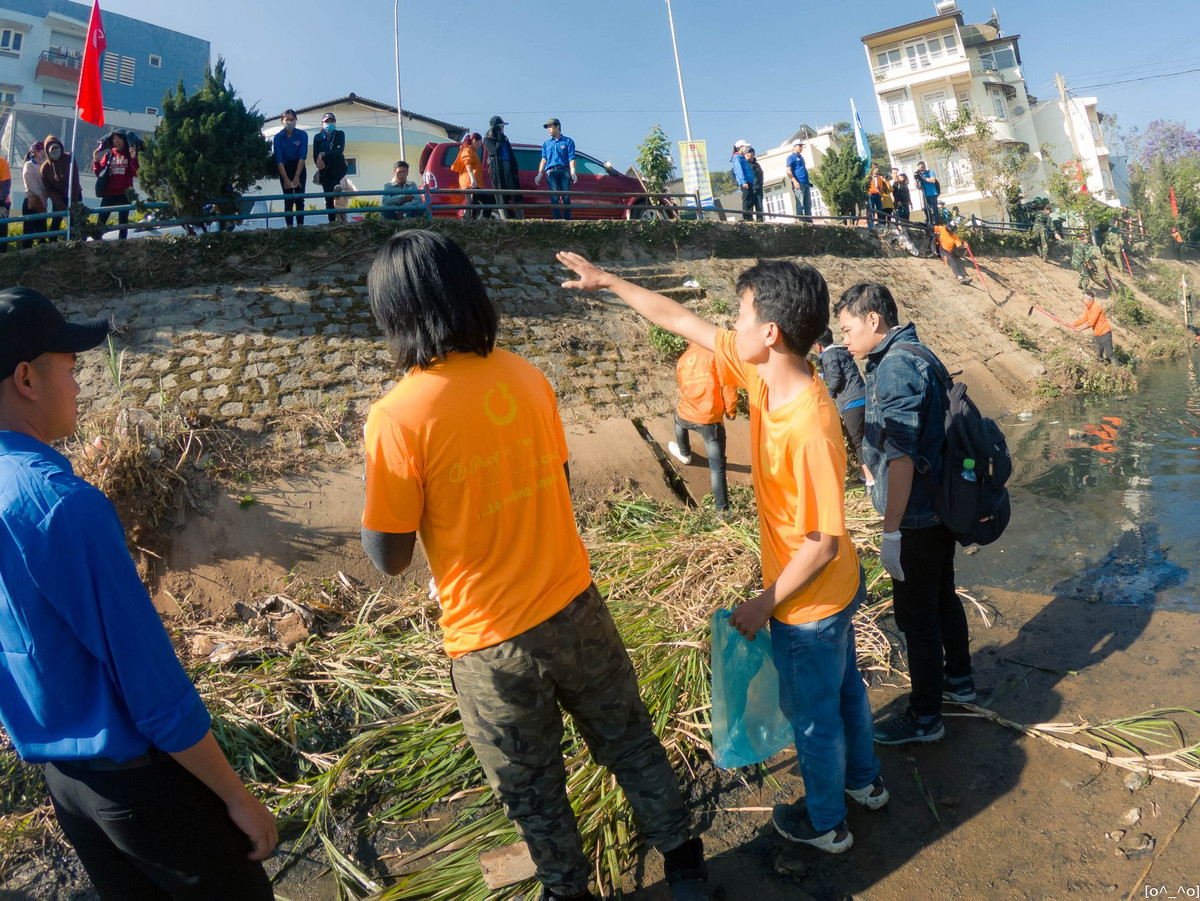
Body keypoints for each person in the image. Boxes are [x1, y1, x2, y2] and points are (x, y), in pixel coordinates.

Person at [361, 232, 717, 901]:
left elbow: (391, 554)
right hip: (577, 607)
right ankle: (689, 867)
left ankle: (566, 889)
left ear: (396, 314)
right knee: (632, 742)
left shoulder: (396, 418)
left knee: (534, 789)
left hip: (492, 644)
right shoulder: (525, 376)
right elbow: (553, 480)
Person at [559, 250, 885, 856]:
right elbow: (683, 322)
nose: (729, 327)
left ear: (770, 332)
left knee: (813, 718)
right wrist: (609, 281)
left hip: (810, 603)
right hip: (832, 591)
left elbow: (822, 541)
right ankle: (866, 785)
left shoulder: (811, 424)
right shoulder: (764, 374)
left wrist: (765, 603)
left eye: (740, 315)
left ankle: (827, 823)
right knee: (845, 692)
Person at [0, 287, 278, 899]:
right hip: (137, 784)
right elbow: (151, 690)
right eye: (70, 369)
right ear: (26, 378)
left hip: (65, 784)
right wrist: (237, 796)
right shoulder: (63, 508)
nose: (79, 385)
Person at [833, 283, 975, 746]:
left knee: (916, 619)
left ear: (874, 320)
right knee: (942, 597)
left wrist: (890, 530)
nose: (845, 339)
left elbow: (902, 456)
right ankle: (959, 680)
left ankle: (925, 717)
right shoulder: (917, 350)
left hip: (915, 517)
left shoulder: (893, 367)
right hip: (939, 507)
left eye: (848, 328)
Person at [666, 341, 738, 517]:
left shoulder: (683, 359)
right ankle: (722, 512)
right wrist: (730, 409)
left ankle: (684, 453)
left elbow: (683, 387)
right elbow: (728, 385)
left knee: (677, 419)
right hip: (709, 421)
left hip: (685, 415)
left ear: (690, 342)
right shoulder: (716, 356)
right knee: (717, 467)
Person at [812, 328, 871, 487]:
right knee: (864, 439)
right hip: (861, 398)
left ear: (818, 346)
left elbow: (835, 381)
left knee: (857, 442)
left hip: (851, 402)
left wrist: (827, 396)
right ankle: (865, 475)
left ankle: (871, 481)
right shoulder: (840, 352)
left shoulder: (829, 356)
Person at [92, 131, 139, 240]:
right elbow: (99, 173)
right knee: (101, 219)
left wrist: (133, 158)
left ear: (124, 140)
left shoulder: (129, 155)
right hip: (109, 193)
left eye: (119, 138)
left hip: (124, 193)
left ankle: (122, 243)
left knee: (123, 220)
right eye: (114, 139)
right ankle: (96, 240)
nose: (116, 141)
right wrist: (96, 160)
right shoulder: (108, 155)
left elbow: (136, 173)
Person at [39, 135, 82, 242]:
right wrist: (61, 206)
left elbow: (75, 180)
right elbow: (50, 190)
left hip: (74, 194)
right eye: (52, 150)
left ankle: (77, 240)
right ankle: (52, 243)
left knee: (76, 219)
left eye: (57, 148)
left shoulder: (69, 159)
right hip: (58, 197)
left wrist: (73, 202)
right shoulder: (45, 168)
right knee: (56, 219)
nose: (55, 152)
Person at [534, 117, 576, 221]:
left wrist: (573, 171)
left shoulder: (568, 141)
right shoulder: (546, 144)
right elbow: (544, 159)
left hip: (563, 170)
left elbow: (571, 157)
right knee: (554, 196)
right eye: (547, 127)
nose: (548, 129)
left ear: (557, 127)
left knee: (566, 196)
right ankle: (557, 219)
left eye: (550, 127)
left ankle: (567, 219)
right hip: (551, 171)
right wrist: (540, 173)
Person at [273, 109, 307, 227]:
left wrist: (297, 177)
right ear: (282, 121)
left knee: (299, 199)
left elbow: (302, 156)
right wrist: (286, 179)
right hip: (284, 169)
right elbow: (279, 159)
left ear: (296, 120)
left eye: (292, 119)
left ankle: (300, 226)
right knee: (288, 199)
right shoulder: (277, 137)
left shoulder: (302, 135)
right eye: (287, 119)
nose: (290, 122)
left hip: (299, 167)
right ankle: (290, 227)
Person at [484, 116, 523, 219]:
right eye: (501, 126)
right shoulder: (488, 139)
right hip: (498, 169)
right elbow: (494, 151)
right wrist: (498, 140)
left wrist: (515, 169)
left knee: (514, 192)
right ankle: (504, 219)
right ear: (495, 127)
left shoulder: (505, 138)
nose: (502, 128)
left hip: (508, 167)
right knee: (500, 194)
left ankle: (520, 218)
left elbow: (511, 154)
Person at [313, 112, 348, 224]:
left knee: (335, 155)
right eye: (327, 121)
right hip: (325, 170)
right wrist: (319, 162)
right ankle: (332, 222)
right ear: (322, 123)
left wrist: (323, 153)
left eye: (332, 121)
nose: (330, 123)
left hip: (339, 167)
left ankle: (337, 184)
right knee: (328, 197)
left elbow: (339, 150)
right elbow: (315, 155)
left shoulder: (340, 134)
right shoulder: (318, 137)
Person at [1071, 289, 1114, 362]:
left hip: (1105, 333)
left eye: (1084, 299)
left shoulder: (1096, 307)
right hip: (1097, 334)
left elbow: (1091, 323)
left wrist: (1080, 329)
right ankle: (1102, 367)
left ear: (1089, 300)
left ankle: (1118, 371)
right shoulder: (1089, 308)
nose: (1083, 300)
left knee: (1110, 355)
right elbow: (1084, 319)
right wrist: (1074, 324)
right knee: (1098, 354)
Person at [451, 132, 487, 219]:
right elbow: (468, 163)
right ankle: (469, 221)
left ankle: (474, 220)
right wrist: (472, 179)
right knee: (471, 204)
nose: (480, 145)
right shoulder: (467, 150)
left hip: (473, 182)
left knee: (477, 202)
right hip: (470, 182)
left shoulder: (471, 151)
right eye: (479, 142)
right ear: (474, 140)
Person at [21, 142, 48, 248]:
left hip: (42, 203)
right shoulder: (28, 165)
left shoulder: (44, 165)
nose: (43, 152)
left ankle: (41, 255)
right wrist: (41, 195)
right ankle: (26, 255)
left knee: (42, 231)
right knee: (29, 232)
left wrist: (45, 195)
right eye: (41, 149)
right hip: (31, 202)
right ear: (35, 151)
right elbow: (31, 184)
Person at [786, 140, 811, 221]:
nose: (801, 147)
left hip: (805, 183)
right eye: (799, 146)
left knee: (808, 204)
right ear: (794, 146)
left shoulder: (801, 157)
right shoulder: (791, 157)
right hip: (798, 183)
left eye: (802, 146)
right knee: (800, 203)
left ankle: (809, 220)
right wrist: (795, 181)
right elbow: (788, 171)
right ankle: (801, 221)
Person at [731, 143, 756, 222]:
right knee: (747, 200)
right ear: (740, 147)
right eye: (745, 146)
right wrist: (743, 181)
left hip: (749, 181)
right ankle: (746, 218)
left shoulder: (742, 157)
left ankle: (750, 217)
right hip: (745, 182)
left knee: (751, 200)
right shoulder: (737, 157)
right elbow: (739, 170)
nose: (747, 148)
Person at [915, 161, 939, 228]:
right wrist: (916, 178)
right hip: (925, 195)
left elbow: (933, 180)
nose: (921, 169)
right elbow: (918, 187)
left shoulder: (930, 172)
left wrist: (924, 178)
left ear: (925, 166)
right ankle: (929, 222)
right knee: (927, 209)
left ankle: (937, 223)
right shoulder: (920, 175)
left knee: (935, 209)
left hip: (932, 193)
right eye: (920, 168)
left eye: (922, 167)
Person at [866, 165, 890, 232]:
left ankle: (881, 224)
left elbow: (880, 186)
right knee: (871, 209)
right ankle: (871, 225)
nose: (876, 170)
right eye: (875, 168)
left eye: (877, 168)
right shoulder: (868, 177)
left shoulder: (879, 177)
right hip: (871, 194)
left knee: (879, 209)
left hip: (878, 194)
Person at [0, 152, 10, 253]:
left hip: (3, 204)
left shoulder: (3, 163)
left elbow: (6, 185)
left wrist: (1, 203)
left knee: (2, 231)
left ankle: (2, 256)